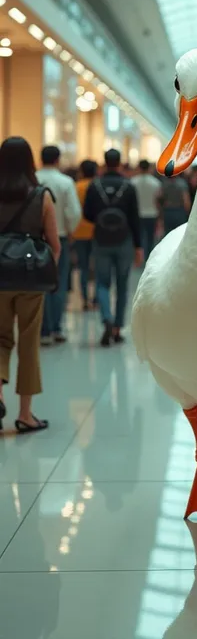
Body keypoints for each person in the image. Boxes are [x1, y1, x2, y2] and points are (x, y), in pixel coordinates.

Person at [0, 137, 60, 432]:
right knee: (28, 342)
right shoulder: (41, 195)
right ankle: (25, 414)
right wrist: (50, 270)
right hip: (29, 277)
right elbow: (54, 244)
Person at [83, 149, 143, 346]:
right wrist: (138, 246)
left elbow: (88, 215)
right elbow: (135, 218)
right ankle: (117, 328)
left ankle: (106, 318)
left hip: (101, 239)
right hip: (124, 240)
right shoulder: (128, 186)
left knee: (102, 282)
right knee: (123, 285)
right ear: (119, 163)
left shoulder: (94, 186)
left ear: (104, 163)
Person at [36, 145, 81, 345]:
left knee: (39, 284)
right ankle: (57, 328)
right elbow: (73, 211)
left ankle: (43, 330)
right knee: (59, 283)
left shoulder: (33, 180)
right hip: (60, 238)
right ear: (57, 160)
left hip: (35, 239)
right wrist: (70, 230)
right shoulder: (66, 182)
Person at [72, 160, 97, 310]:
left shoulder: (76, 187)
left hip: (79, 231)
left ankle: (84, 300)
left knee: (83, 267)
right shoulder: (97, 186)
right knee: (98, 267)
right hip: (97, 232)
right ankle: (96, 299)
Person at [132, 159, 161, 261]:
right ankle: (148, 257)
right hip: (151, 213)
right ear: (149, 168)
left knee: (139, 237)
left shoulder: (133, 182)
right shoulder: (156, 183)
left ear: (139, 167)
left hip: (137, 214)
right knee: (150, 238)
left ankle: (139, 256)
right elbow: (157, 201)